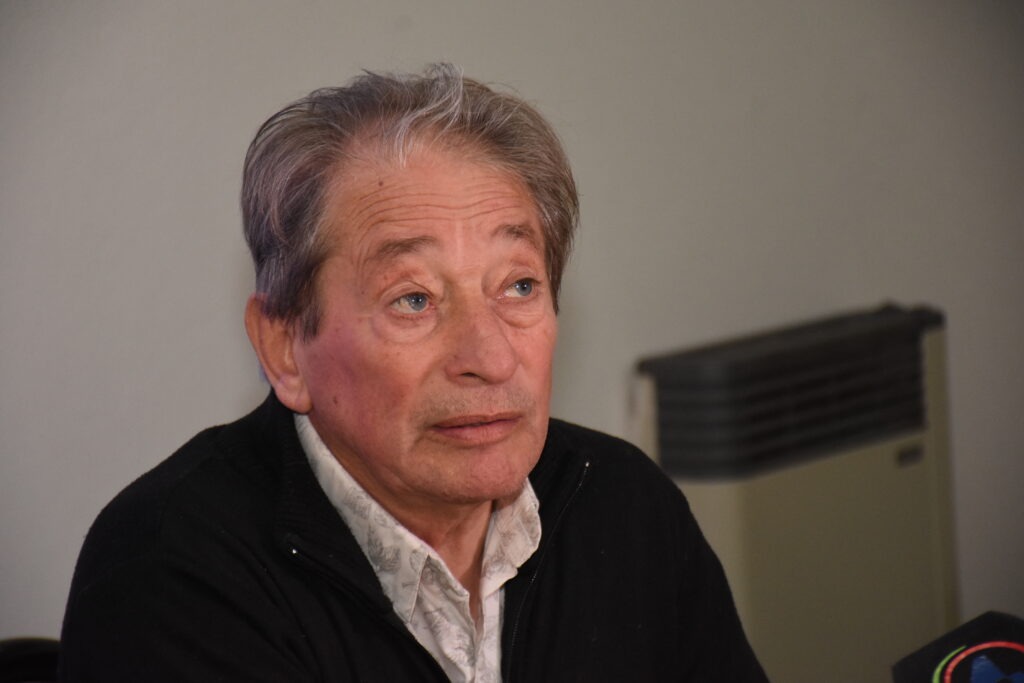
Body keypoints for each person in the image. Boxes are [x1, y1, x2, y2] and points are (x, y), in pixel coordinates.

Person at [60, 64, 768, 682]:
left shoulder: (623, 506)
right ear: (284, 346)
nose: (490, 358)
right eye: (414, 299)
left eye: (519, 286)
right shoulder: (172, 576)